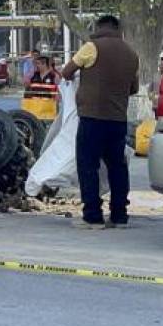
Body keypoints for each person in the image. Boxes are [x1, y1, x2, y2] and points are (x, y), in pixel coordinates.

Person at [61, 15, 139, 229]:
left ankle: (93, 215)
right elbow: (134, 88)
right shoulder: (131, 54)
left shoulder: (91, 47)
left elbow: (67, 72)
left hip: (92, 118)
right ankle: (119, 216)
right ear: (117, 29)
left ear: (99, 27)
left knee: (88, 165)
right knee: (117, 167)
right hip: (117, 120)